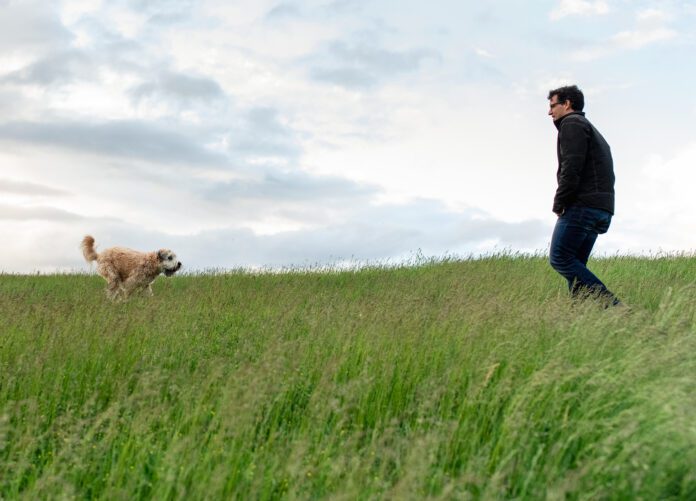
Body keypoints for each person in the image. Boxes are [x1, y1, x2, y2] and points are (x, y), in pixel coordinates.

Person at [547, 85, 620, 306]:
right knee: (576, 265)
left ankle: (616, 308)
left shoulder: (572, 124)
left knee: (560, 258)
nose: (550, 112)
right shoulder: (590, 129)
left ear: (567, 104)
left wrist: (559, 203)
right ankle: (578, 317)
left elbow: (571, 167)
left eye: (553, 106)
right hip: (600, 208)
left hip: (582, 206)